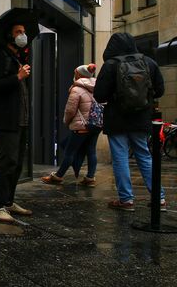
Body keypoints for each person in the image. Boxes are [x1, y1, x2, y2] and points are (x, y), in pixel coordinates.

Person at [93, 32, 166, 211]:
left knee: (120, 158)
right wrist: (143, 99)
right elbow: (160, 90)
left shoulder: (111, 65)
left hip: (117, 120)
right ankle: (159, 198)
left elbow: (99, 95)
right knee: (144, 156)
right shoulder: (149, 62)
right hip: (141, 118)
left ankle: (126, 200)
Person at [0, 22, 34, 223]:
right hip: (6, 118)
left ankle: (8, 201)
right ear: (9, 35)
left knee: (17, 161)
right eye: (18, 32)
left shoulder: (15, 58)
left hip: (20, 119)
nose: (23, 35)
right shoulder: (0, 56)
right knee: (8, 161)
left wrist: (20, 72)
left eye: (24, 31)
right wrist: (18, 76)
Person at [41, 64, 101, 187]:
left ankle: (58, 176)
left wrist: (67, 121)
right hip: (95, 126)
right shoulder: (98, 86)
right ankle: (90, 178)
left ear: (78, 74)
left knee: (70, 152)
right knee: (91, 151)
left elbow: (70, 110)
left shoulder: (76, 89)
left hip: (81, 126)